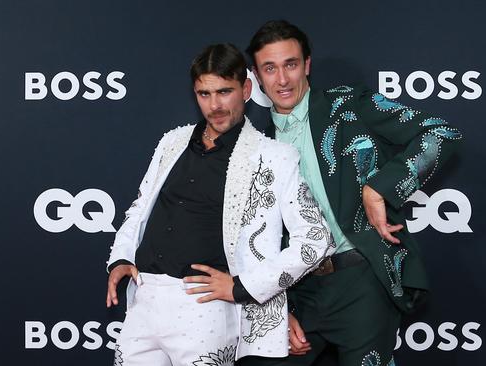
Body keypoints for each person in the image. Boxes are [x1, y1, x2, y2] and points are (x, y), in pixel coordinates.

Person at [238, 20, 462, 366]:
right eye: (270, 68)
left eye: (291, 64)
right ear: (256, 75)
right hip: (295, 293)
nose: (282, 80)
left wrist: (379, 189)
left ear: (307, 65)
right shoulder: (255, 148)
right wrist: (274, 310)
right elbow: (252, 243)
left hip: (361, 282)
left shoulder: (349, 107)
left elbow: (440, 134)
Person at [106, 43, 334, 366]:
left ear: (246, 89)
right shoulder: (171, 143)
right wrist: (120, 258)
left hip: (205, 306)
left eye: (224, 92)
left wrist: (243, 287)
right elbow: (140, 209)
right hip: (145, 299)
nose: (215, 105)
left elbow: (315, 239)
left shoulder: (274, 157)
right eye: (204, 94)